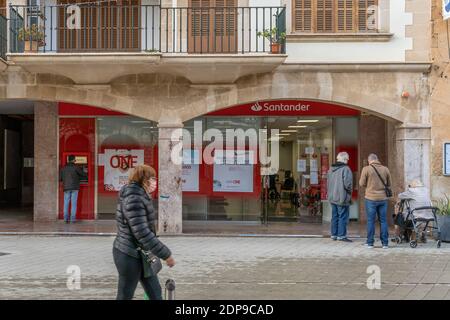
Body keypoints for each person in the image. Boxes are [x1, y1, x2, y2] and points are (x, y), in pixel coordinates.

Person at [113, 165, 175, 300]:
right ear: (144, 180)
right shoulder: (134, 198)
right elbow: (142, 233)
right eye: (152, 178)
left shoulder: (138, 195)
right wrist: (166, 254)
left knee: (155, 293)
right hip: (129, 254)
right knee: (125, 295)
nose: (154, 182)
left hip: (142, 254)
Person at [359, 154, 392, 249]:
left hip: (370, 198)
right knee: (383, 221)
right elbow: (389, 183)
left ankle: (370, 243)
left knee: (370, 221)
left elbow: (361, 183)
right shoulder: (385, 169)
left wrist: (369, 185)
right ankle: (385, 243)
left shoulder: (366, 169)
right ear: (377, 160)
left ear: (370, 161)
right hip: (383, 199)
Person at [327, 152, 353, 242]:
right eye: (347, 159)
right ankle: (341, 236)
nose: (348, 160)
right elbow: (348, 184)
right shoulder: (346, 169)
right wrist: (349, 193)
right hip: (342, 197)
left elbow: (328, 183)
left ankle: (334, 235)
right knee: (342, 216)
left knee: (334, 216)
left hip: (332, 197)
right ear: (344, 159)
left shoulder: (331, 169)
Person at [59, 155, 87, 223]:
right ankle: (72, 219)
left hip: (66, 188)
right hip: (75, 187)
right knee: (73, 203)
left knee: (66, 203)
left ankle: (65, 219)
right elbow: (84, 174)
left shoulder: (63, 168)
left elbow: (60, 178)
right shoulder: (76, 167)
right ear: (74, 160)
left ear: (68, 160)